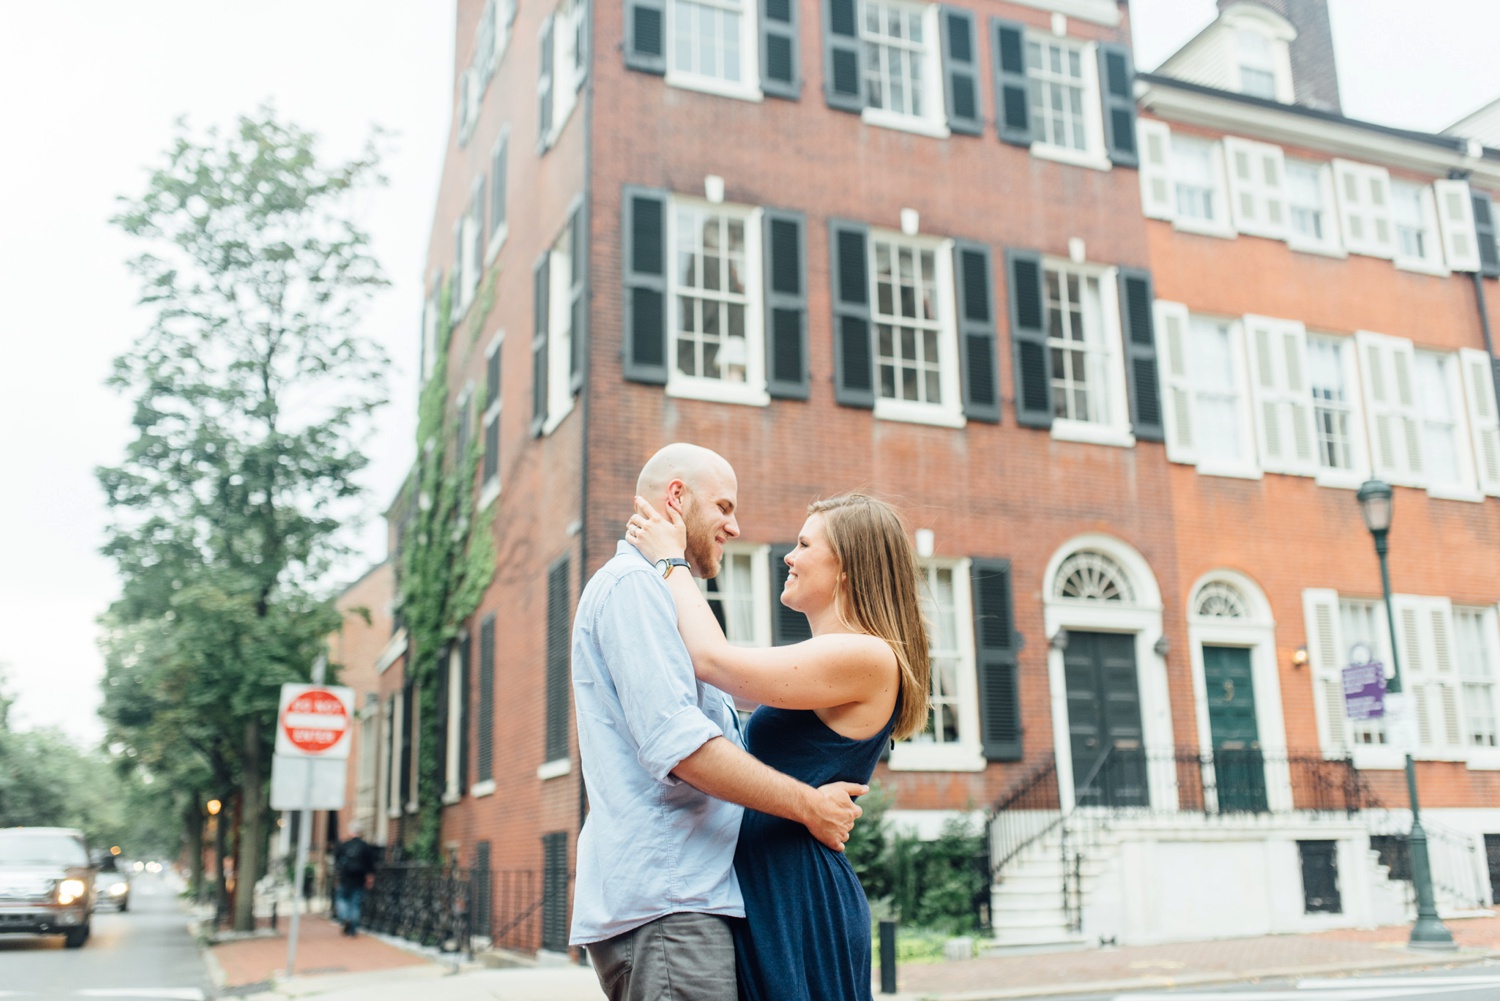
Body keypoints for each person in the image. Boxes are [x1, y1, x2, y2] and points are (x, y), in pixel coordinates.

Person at [571, 443, 869, 1001]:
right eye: (725, 507)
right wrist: (810, 806)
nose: (735, 526)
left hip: (688, 901)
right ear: (677, 499)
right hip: (671, 906)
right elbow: (680, 746)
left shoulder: (658, 591)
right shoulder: (635, 587)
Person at [628, 491, 932, 1001]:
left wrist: (670, 561)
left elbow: (714, 662)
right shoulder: (834, 655)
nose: (788, 557)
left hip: (797, 894)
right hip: (769, 884)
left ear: (847, 569)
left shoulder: (867, 656)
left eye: (803, 543)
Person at [332, 822, 377, 936]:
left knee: (341, 900)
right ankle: (352, 928)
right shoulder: (365, 846)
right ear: (360, 832)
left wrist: (336, 878)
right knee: (355, 903)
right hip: (359, 879)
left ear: (350, 831)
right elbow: (370, 865)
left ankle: (345, 917)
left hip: (344, 878)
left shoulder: (344, 845)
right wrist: (370, 879)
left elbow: (337, 862)